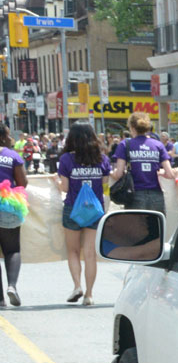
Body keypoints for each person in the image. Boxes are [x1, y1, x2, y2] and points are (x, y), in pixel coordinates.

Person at [56, 123, 112, 306]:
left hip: (73, 208)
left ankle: (77, 286)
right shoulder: (102, 159)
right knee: (90, 253)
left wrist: (54, 182)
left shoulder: (66, 159)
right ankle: (89, 294)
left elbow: (64, 187)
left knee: (73, 251)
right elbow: (105, 183)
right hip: (94, 209)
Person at [110, 113, 176, 213]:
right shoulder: (158, 145)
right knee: (156, 227)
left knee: (137, 228)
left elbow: (118, 174)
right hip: (156, 196)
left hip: (134, 194)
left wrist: (111, 173)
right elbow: (170, 174)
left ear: (132, 128)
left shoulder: (125, 144)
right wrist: (159, 172)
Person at [0, 125, 27, 306]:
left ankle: (0, 299)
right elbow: (22, 182)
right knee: (12, 249)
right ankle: (12, 286)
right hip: (7, 205)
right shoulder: (12, 156)